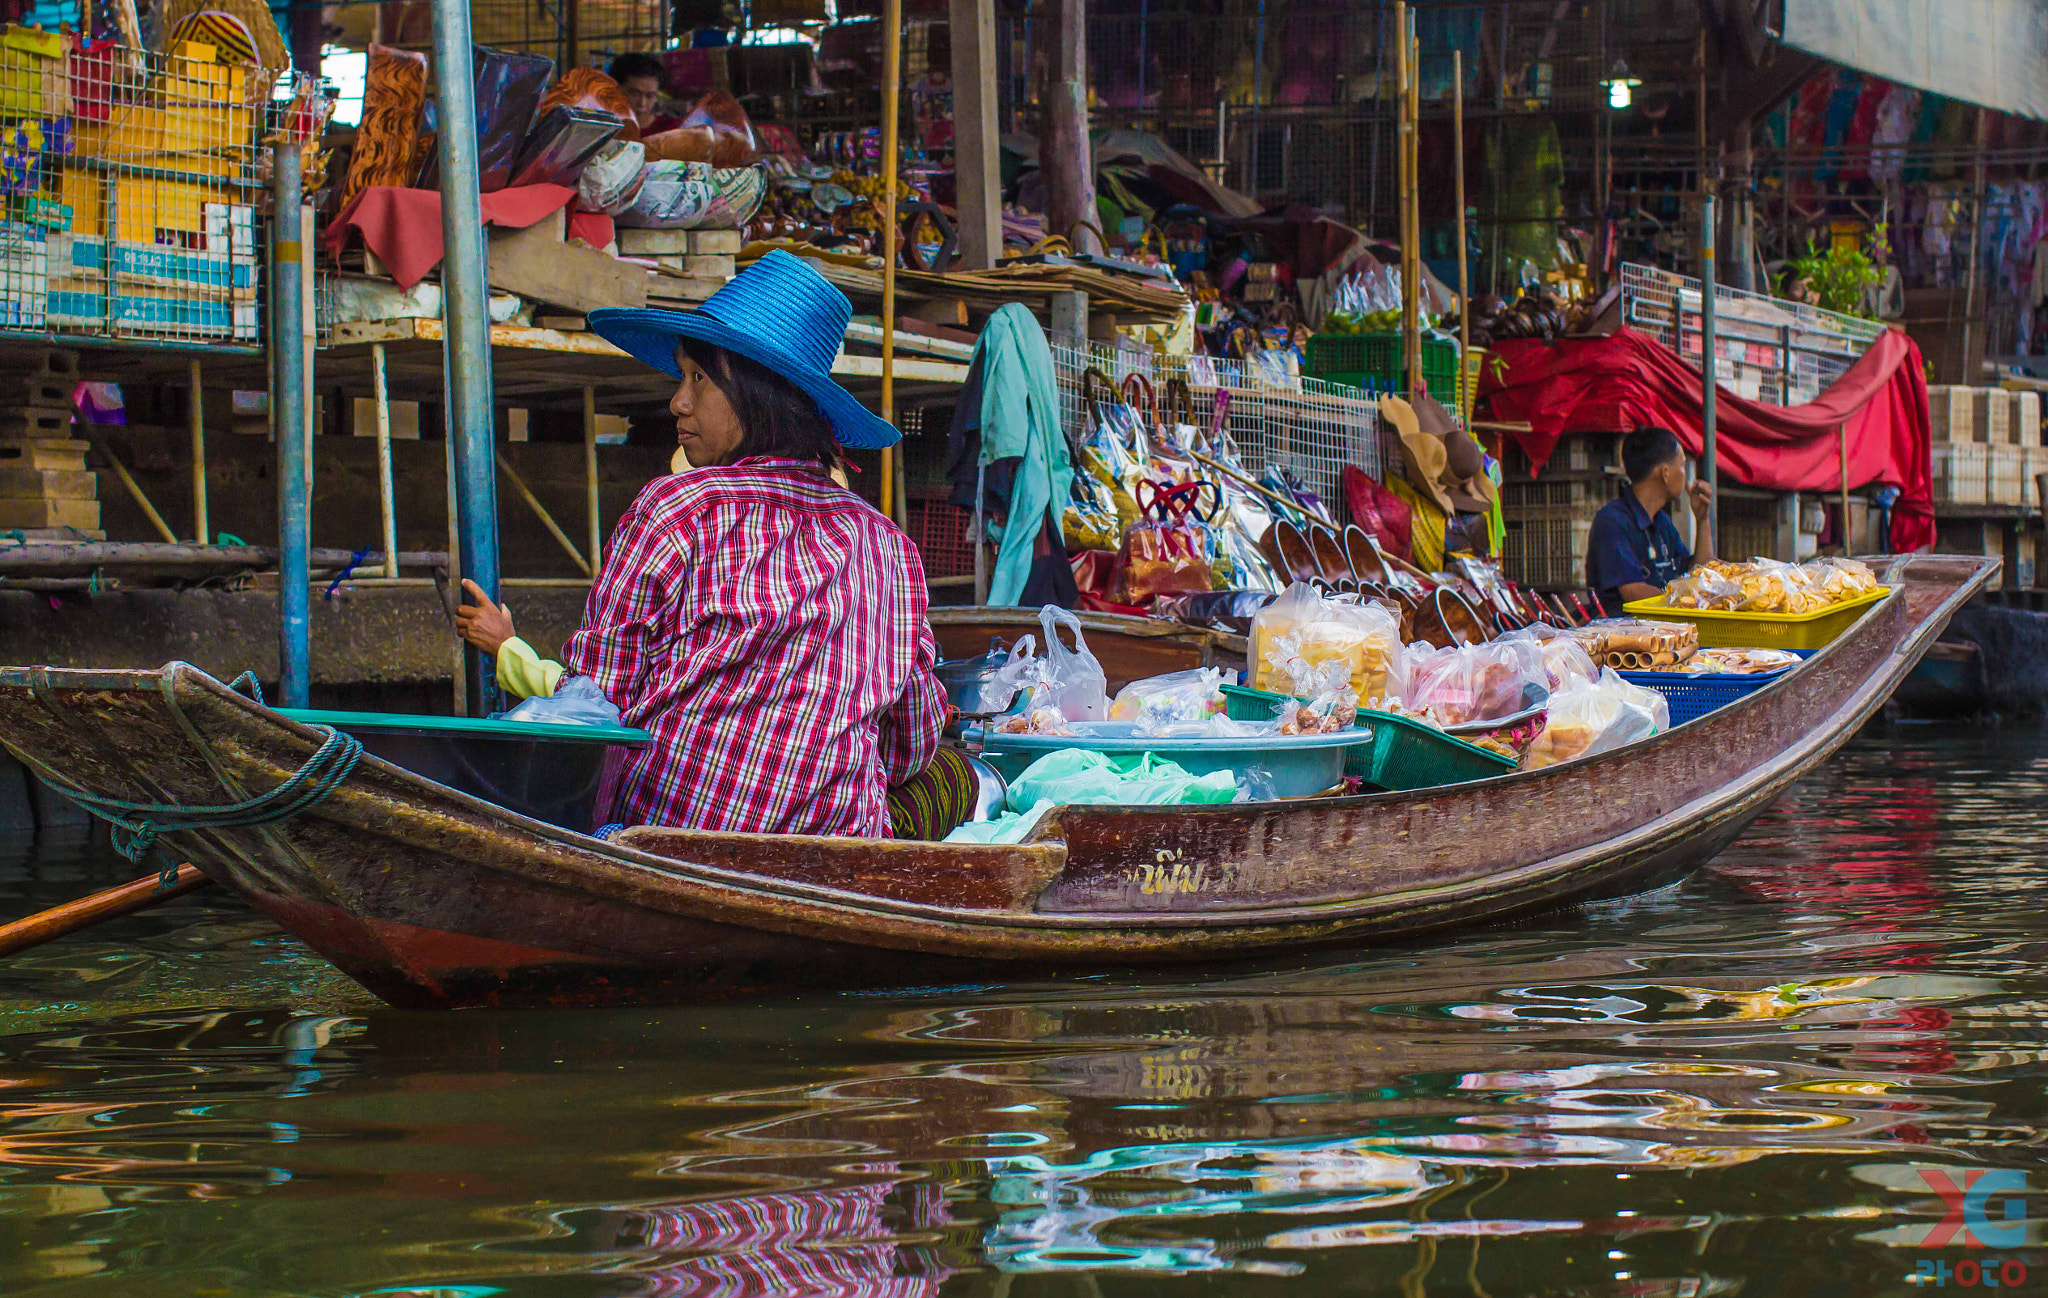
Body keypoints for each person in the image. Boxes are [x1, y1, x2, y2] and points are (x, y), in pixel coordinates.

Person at [458, 250, 958, 839]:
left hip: (668, 842)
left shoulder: (674, 510)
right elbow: (909, 748)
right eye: (681, 377)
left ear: (758, 393)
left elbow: (591, 712)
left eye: (698, 378)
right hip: (836, 858)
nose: (677, 402)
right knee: (950, 776)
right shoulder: (888, 546)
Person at [1587, 425, 1716, 616]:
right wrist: (1685, 601)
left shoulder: (1662, 523)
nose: (1686, 476)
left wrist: (1703, 519)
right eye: (1681, 465)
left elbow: (1700, 576)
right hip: (1626, 637)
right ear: (1665, 473)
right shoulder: (1612, 521)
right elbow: (1633, 591)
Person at [607, 52, 683, 135]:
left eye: (650, 96)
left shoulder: (673, 129)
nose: (642, 104)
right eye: (634, 94)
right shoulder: (602, 130)